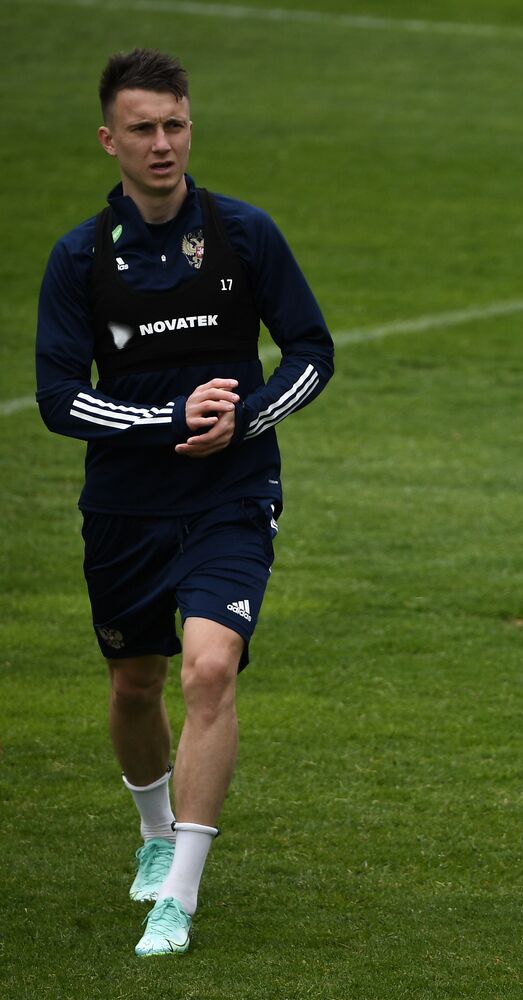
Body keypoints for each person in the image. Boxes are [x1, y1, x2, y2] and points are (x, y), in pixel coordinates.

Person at [35, 49, 333, 957]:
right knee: (136, 682)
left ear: (189, 127)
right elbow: (59, 398)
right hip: (126, 507)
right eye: (142, 129)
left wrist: (240, 425)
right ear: (109, 140)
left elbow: (312, 354)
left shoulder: (244, 235)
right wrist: (168, 416)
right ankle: (154, 831)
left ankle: (180, 893)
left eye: (175, 124)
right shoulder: (80, 258)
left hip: (231, 496)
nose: (162, 143)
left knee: (209, 669)